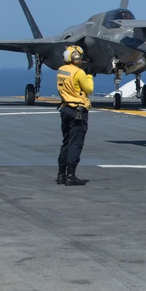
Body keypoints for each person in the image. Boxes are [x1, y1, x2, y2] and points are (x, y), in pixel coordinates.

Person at [56, 45, 93, 186]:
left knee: (66, 141)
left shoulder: (61, 70)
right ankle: (70, 176)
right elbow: (89, 89)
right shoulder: (79, 73)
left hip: (64, 108)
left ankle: (61, 174)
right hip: (78, 111)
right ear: (76, 57)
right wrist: (89, 75)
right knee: (75, 143)